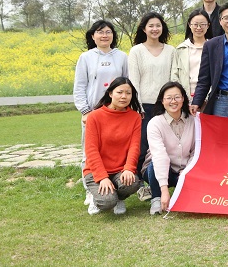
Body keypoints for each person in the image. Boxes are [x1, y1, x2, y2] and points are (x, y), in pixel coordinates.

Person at [73, 19, 129, 207]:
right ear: (93, 36)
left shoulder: (121, 56)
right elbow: (80, 86)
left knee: (118, 152)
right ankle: (91, 191)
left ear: (113, 35)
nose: (104, 35)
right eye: (100, 32)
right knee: (89, 152)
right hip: (93, 113)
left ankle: (118, 192)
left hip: (117, 113)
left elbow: (128, 83)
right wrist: (85, 111)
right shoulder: (86, 57)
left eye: (108, 32)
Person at [128, 12, 175, 194]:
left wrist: (171, 103)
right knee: (143, 145)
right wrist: (137, 106)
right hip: (144, 106)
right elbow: (134, 81)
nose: (155, 29)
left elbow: (173, 79)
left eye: (158, 25)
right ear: (144, 29)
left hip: (165, 106)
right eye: (151, 26)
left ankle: (163, 179)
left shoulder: (171, 51)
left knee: (164, 144)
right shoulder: (136, 51)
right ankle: (141, 182)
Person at [83, 77, 142, 215]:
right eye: (119, 92)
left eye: (128, 93)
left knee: (133, 182)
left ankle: (119, 198)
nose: (124, 96)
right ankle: (96, 198)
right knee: (107, 202)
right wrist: (102, 177)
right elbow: (91, 150)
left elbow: (134, 147)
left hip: (119, 171)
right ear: (110, 93)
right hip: (96, 171)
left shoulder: (135, 117)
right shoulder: (94, 117)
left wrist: (129, 169)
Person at [142, 82, 196, 215]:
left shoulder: (193, 121)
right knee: (154, 164)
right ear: (162, 100)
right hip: (157, 169)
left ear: (183, 99)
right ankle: (156, 197)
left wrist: (187, 170)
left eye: (177, 97)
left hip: (182, 170)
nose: (173, 101)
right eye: (169, 98)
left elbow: (196, 151)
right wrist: (164, 191)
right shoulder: (155, 123)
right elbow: (159, 156)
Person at [171, 9, 213, 98]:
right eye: (195, 24)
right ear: (189, 25)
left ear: (208, 25)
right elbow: (174, 76)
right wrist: (181, 96)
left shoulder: (214, 48)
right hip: (185, 96)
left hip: (210, 96)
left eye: (202, 24)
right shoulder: (181, 49)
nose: (199, 28)